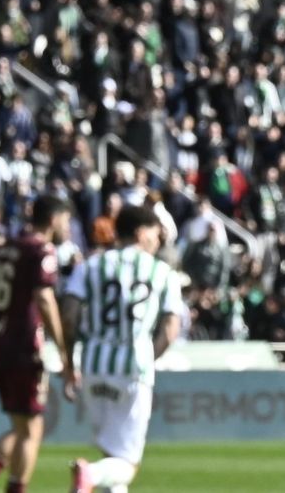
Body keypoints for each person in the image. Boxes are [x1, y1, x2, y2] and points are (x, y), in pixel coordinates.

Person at [63, 206, 186, 493]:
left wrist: (69, 361)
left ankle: (92, 476)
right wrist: (148, 358)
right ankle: (90, 474)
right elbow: (171, 329)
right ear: (141, 233)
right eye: (155, 232)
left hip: (94, 365)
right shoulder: (162, 272)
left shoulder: (91, 266)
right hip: (133, 368)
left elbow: (68, 316)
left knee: (112, 453)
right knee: (127, 464)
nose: (158, 239)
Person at [0, 196, 77, 493]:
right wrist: (63, 349)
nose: (67, 227)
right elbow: (44, 298)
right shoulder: (41, 250)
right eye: (66, 220)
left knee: (22, 424)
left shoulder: (5, 249)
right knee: (31, 429)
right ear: (53, 219)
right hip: (23, 347)